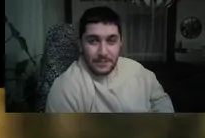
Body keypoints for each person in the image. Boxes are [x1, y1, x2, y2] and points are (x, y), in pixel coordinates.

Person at [46, 6, 175, 113]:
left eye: (111, 40)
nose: (103, 52)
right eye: (93, 41)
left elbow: (161, 102)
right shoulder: (65, 90)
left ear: (121, 43)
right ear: (80, 45)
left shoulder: (138, 71)